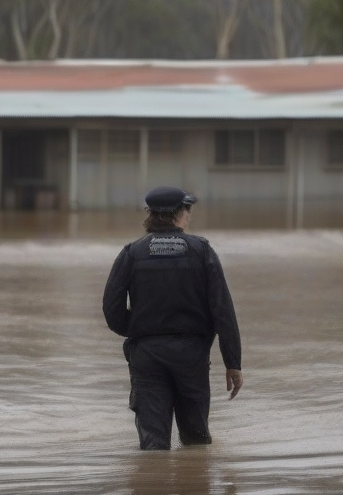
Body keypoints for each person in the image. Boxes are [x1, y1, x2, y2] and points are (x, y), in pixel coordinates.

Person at [102, 186, 243, 450]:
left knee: (153, 443)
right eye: (188, 210)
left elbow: (112, 310)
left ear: (151, 215)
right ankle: (195, 485)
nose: (189, 216)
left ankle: (153, 486)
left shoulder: (132, 253)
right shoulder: (202, 251)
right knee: (196, 439)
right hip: (192, 354)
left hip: (146, 355)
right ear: (180, 213)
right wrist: (233, 362)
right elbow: (222, 309)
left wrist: (140, 331)